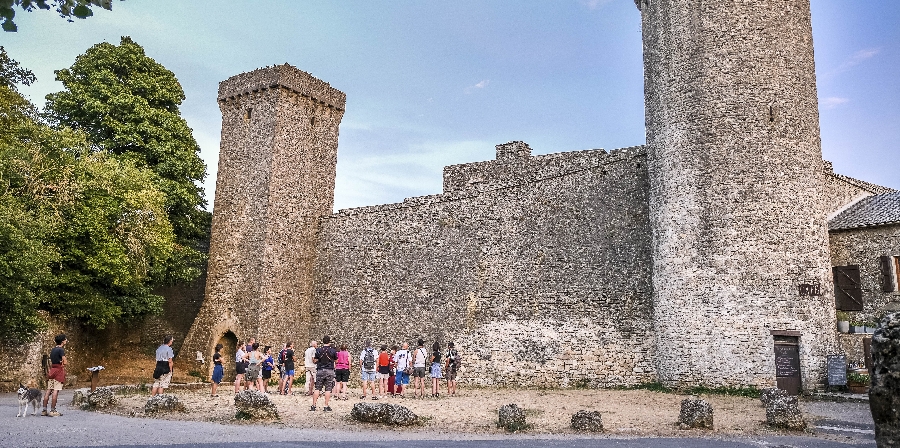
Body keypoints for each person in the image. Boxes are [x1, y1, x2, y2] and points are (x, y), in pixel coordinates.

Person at [41, 334, 67, 417]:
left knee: (49, 390)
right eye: (65, 339)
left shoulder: (53, 350)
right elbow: (65, 362)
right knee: (56, 390)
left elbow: (53, 360)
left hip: (52, 370)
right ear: (62, 341)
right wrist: (62, 363)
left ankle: (44, 410)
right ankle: (53, 410)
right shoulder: (61, 350)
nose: (66, 341)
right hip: (58, 371)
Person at [311, 335, 337, 412]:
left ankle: (313, 405)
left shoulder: (319, 350)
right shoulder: (333, 350)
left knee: (317, 388)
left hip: (320, 370)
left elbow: (315, 360)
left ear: (323, 341)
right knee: (328, 389)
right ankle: (326, 405)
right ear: (329, 341)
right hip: (329, 370)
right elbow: (336, 361)